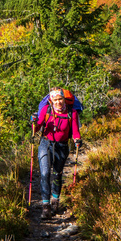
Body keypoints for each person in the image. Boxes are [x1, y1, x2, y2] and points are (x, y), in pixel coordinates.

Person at [33, 88, 81, 219]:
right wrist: (33, 122)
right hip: (45, 144)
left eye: (60, 99)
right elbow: (37, 127)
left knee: (57, 174)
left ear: (64, 99)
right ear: (51, 101)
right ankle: (46, 207)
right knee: (45, 173)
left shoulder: (72, 112)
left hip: (62, 146)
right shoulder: (46, 110)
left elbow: (75, 131)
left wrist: (77, 139)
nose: (58, 102)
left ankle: (55, 201)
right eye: (55, 100)